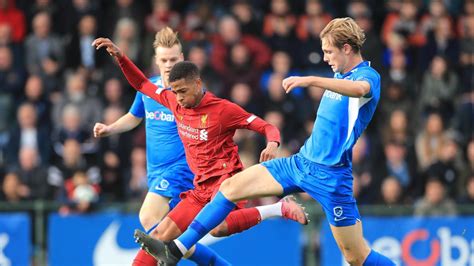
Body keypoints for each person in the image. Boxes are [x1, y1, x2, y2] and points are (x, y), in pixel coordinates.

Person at [132, 17, 395, 265]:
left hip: (332, 177)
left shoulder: (368, 77)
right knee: (230, 188)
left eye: (328, 52)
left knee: (356, 257)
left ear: (347, 48)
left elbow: (361, 90)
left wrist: (311, 80)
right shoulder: (339, 74)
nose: (325, 58)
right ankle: (177, 248)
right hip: (300, 164)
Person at [93, 37, 308, 264]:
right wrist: (121, 57)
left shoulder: (223, 110)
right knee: (158, 236)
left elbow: (267, 126)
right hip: (200, 186)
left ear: (198, 83)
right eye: (175, 92)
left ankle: (276, 209)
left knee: (218, 227)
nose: (179, 98)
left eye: (183, 91)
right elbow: (142, 84)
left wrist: (272, 143)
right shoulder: (174, 101)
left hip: (226, 181)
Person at [93, 27, 206, 266]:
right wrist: (110, 128)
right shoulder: (148, 89)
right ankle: (211, 261)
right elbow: (134, 117)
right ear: (156, 61)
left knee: (147, 216)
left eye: (173, 59)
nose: (168, 64)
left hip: (182, 169)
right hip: (155, 172)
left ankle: (163, 258)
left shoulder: (192, 94)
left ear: (182, 59)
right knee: (175, 238)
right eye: (164, 60)